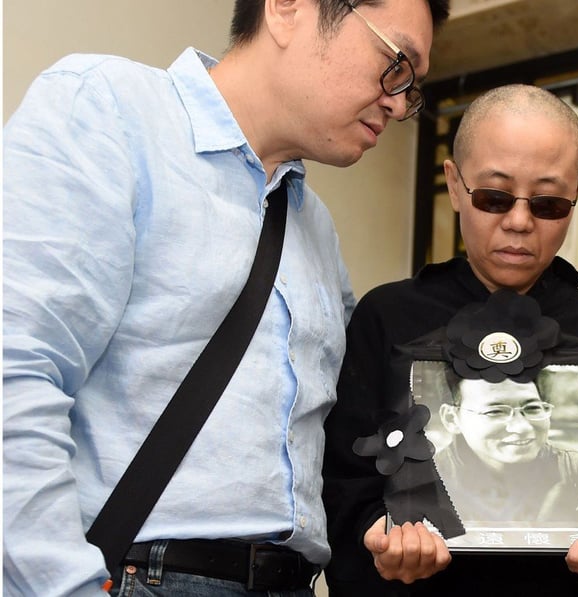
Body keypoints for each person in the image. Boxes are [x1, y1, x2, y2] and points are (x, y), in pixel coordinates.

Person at [2, 1, 449, 595]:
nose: (398, 103)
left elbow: (347, 434)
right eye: (396, 62)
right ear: (288, 9)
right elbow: (15, 370)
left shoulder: (313, 225)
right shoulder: (109, 109)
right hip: (138, 576)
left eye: (412, 86)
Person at [322, 84, 578, 596]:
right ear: (454, 184)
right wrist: (378, 538)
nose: (518, 222)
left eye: (548, 203)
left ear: (577, 194)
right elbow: (342, 479)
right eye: (494, 197)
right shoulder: (388, 315)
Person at [434, 375, 578, 527]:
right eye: (495, 411)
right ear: (451, 418)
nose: (522, 427)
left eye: (532, 408)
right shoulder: (428, 480)